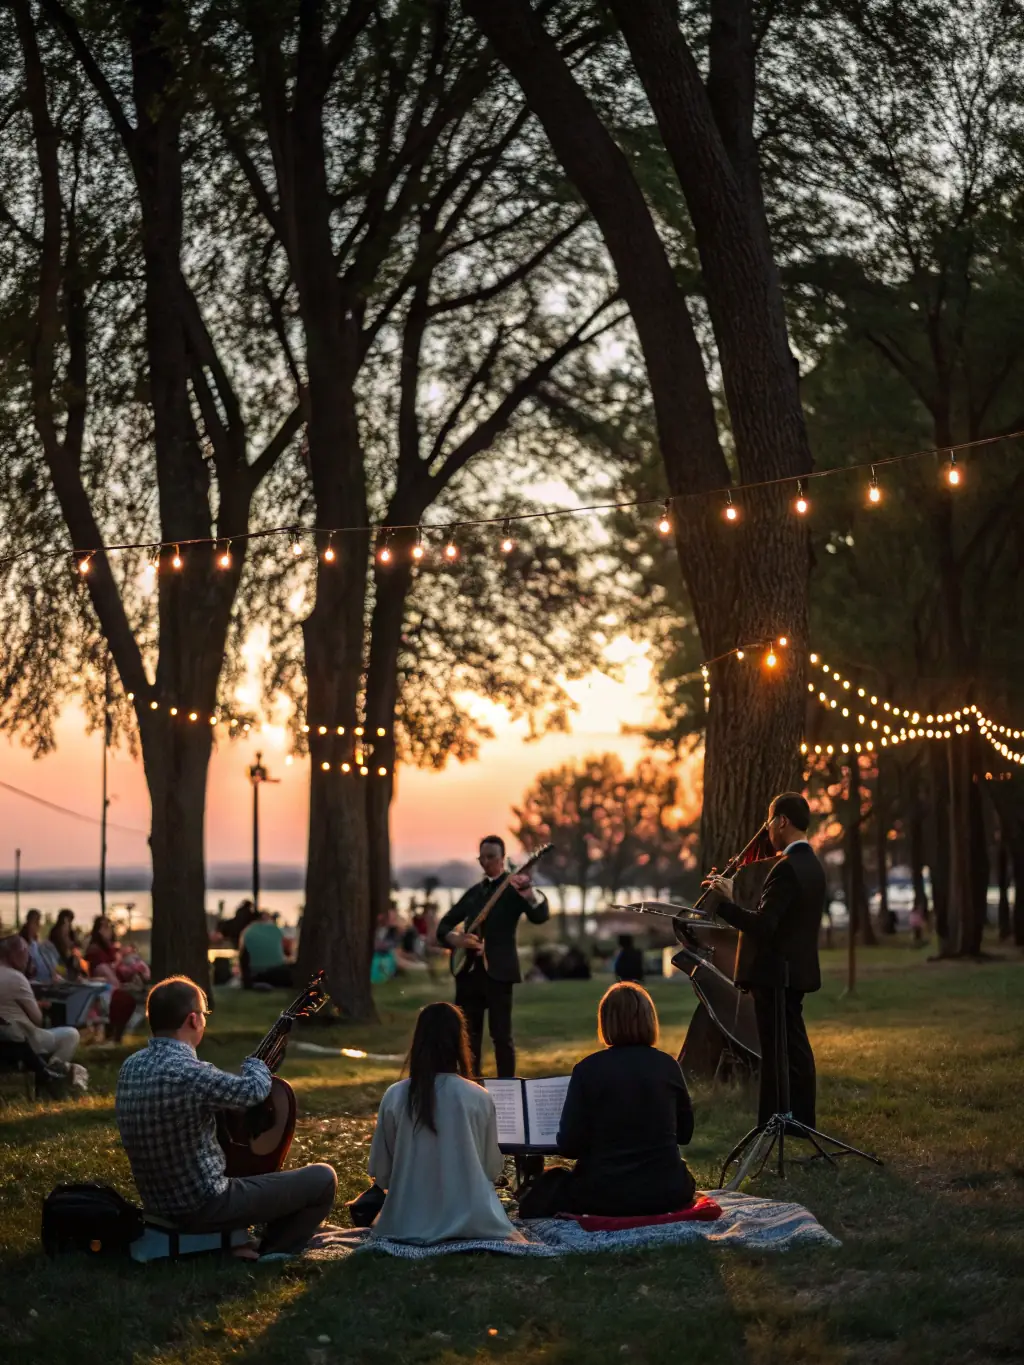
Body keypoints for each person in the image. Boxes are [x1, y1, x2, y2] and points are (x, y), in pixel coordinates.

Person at [116, 975, 337, 1256]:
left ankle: (239, 1240)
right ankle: (273, 1250)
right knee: (323, 1179)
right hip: (203, 1204)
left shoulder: (130, 1066)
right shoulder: (190, 1073)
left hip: (156, 1203)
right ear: (194, 1019)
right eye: (205, 1014)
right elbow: (253, 1090)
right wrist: (256, 1064)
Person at [702, 791, 825, 1131]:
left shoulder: (787, 869)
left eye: (769, 821)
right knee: (794, 1047)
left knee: (777, 1053)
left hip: (776, 975)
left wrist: (725, 903)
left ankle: (779, 1123)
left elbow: (764, 925)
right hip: (795, 971)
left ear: (782, 821)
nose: (766, 830)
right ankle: (798, 1121)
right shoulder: (811, 865)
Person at [520, 982, 695, 1218]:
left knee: (551, 1182)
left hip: (603, 1195)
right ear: (649, 1019)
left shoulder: (588, 1069)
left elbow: (569, 1146)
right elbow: (685, 1134)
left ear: (605, 1022)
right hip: (668, 1191)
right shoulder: (668, 1065)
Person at [366, 1001, 518, 1244]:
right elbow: (491, 1169)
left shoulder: (395, 1095)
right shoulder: (478, 1096)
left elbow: (381, 1175)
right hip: (474, 1221)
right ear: (459, 1041)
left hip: (403, 1222)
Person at [435, 836, 550, 1077]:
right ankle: (469, 1083)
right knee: (469, 1037)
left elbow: (540, 916)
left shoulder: (514, 891)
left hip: (499, 972)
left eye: (491, 857)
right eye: (482, 857)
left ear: (503, 859)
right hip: (468, 975)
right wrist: (458, 939)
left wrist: (529, 893)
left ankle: (508, 1088)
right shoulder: (474, 893)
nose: (486, 862)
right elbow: (443, 926)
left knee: (501, 1037)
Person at [0, 935, 80, 1065]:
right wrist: (40, 1007)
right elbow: (38, 1019)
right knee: (71, 1034)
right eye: (26, 952)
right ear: (15, 953)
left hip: (4, 1038)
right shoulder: (16, 978)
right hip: (22, 1040)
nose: (28, 958)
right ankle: (51, 1073)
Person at [239, 912, 293, 989]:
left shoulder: (247, 931)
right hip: (279, 974)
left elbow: (242, 955)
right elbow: (288, 952)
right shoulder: (276, 930)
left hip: (255, 975)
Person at [20, 910, 61, 983]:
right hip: (36, 981)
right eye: (35, 922)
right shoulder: (23, 943)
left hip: (48, 979)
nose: (38, 925)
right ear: (29, 923)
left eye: (38, 922)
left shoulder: (37, 943)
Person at [49, 909, 85, 979]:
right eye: (64, 923)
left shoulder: (71, 934)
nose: (67, 926)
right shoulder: (56, 935)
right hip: (60, 968)